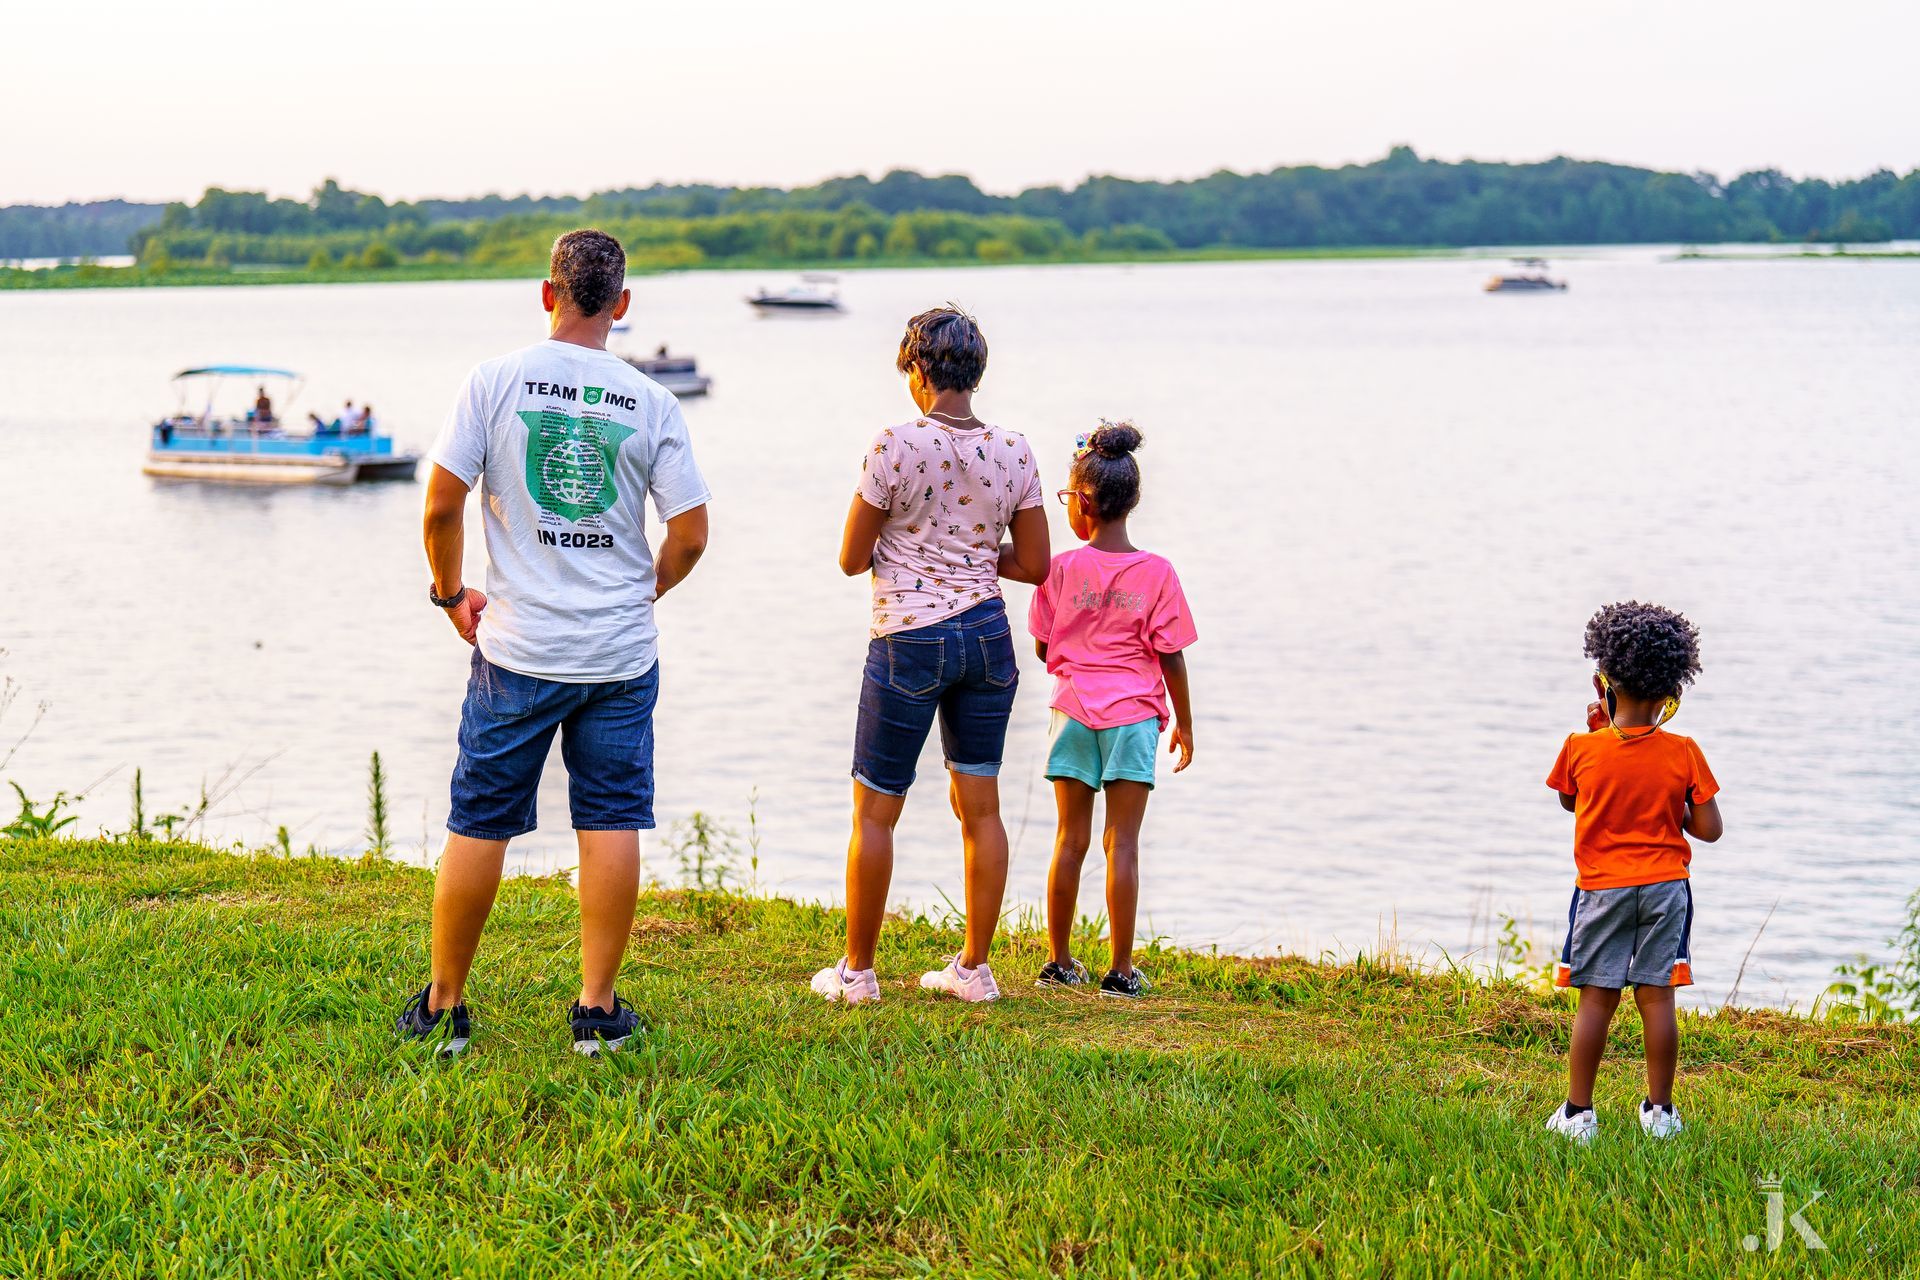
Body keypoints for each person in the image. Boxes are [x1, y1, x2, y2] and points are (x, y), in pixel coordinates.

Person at [397, 228, 711, 1058]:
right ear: (623, 305)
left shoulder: (493, 382)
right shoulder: (652, 401)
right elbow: (690, 533)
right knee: (610, 818)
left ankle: (445, 1008)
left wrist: (447, 593)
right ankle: (597, 1012)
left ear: (547, 292)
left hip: (516, 649)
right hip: (618, 654)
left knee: (480, 822)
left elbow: (440, 507)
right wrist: (645, 592)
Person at [811, 305, 1049, 1005]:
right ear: (975, 373)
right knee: (981, 807)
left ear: (918, 370)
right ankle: (973, 970)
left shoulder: (895, 444)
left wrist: (916, 551)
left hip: (908, 638)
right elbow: (1035, 562)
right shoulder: (1016, 450)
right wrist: (972, 553)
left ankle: (857, 973)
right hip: (985, 635)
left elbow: (852, 558)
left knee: (876, 811)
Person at [1027, 422, 1196, 1000]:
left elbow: (1045, 647)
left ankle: (1059, 960)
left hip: (1072, 711)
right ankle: (1121, 971)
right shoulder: (1158, 574)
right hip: (1131, 718)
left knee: (1068, 840)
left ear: (1087, 505)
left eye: (1069, 499)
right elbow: (1170, 656)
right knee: (1121, 843)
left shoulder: (1061, 569)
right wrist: (1187, 726)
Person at [1544, 601, 1723, 1143]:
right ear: (1672, 690)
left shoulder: (1580, 747)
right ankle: (1660, 1113)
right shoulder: (1684, 751)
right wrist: (1672, 803)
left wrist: (1601, 732)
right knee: (1658, 998)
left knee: (1596, 997)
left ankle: (1578, 1114)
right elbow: (1709, 828)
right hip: (1667, 888)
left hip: (1601, 889)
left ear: (1605, 683)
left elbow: (1572, 804)